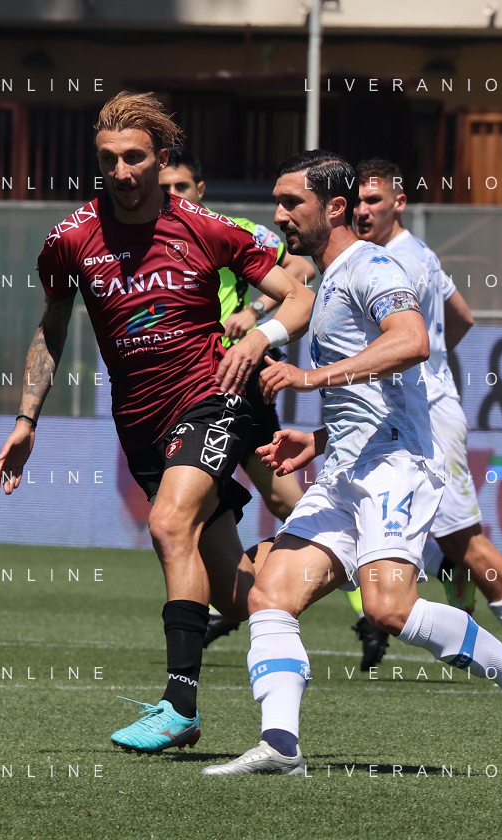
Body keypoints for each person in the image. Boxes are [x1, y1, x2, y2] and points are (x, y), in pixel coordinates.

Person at [201, 150, 502, 777]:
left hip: (397, 465)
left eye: (292, 202)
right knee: (270, 595)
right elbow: (377, 392)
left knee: (387, 608)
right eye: (278, 202)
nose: (280, 215)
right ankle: (281, 745)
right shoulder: (328, 278)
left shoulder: (373, 265)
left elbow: (412, 340)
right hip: (345, 471)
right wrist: (319, 439)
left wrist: (310, 376)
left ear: (334, 207)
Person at [0, 92, 315, 755]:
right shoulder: (70, 240)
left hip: (212, 396)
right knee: (242, 599)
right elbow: (51, 329)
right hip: (140, 425)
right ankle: (341, 554)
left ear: (162, 159)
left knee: (169, 524)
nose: (120, 171)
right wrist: (27, 418)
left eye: (134, 157)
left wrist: (261, 336)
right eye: (108, 159)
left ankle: (179, 705)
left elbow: (299, 294)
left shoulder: (205, 228)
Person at [354, 158, 502, 667]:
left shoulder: (398, 264)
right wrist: (439, 359)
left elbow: (414, 335)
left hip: (429, 416)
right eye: (356, 200)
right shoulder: (418, 254)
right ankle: (448, 576)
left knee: (464, 540)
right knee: (389, 521)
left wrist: (428, 369)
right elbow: (462, 316)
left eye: (373, 200)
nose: (362, 210)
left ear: (399, 203)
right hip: (409, 411)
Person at [157, 147, 338, 650]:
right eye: (165, 188)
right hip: (178, 388)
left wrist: (256, 311)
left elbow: (298, 269)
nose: (173, 195)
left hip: (235, 377)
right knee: (201, 516)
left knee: (277, 501)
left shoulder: (230, 230)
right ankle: (236, 595)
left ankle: (355, 587)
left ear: (200, 190)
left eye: (181, 186)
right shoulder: (146, 238)